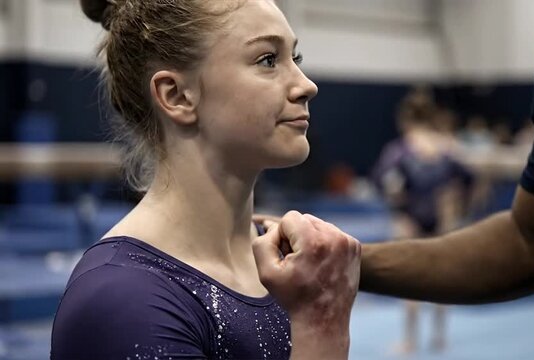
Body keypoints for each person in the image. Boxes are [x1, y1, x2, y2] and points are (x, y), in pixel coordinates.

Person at [257, 0, 534, 358]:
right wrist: (338, 257)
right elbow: (532, 238)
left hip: (419, 215)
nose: (306, 85)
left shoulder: (407, 150)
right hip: (434, 215)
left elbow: (390, 183)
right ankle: (431, 336)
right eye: (268, 60)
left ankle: (415, 337)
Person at [51, 1, 360, 359]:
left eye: (296, 58)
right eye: (268, 60)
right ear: (177, 95)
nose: (307, 85)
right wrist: (321, 326)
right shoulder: (121, 299)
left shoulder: (282, 263)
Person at [370, 87, 473, 353]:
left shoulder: (400, 150)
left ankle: (410, 340)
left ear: (404, 119)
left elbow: (383, 182)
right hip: (441, 220)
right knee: (441, 279)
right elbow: (468, 178)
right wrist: (458, 207)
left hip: (411, 220)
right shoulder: (446, 148)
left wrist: (399, 208)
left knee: (410, 279)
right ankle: (440, 338)